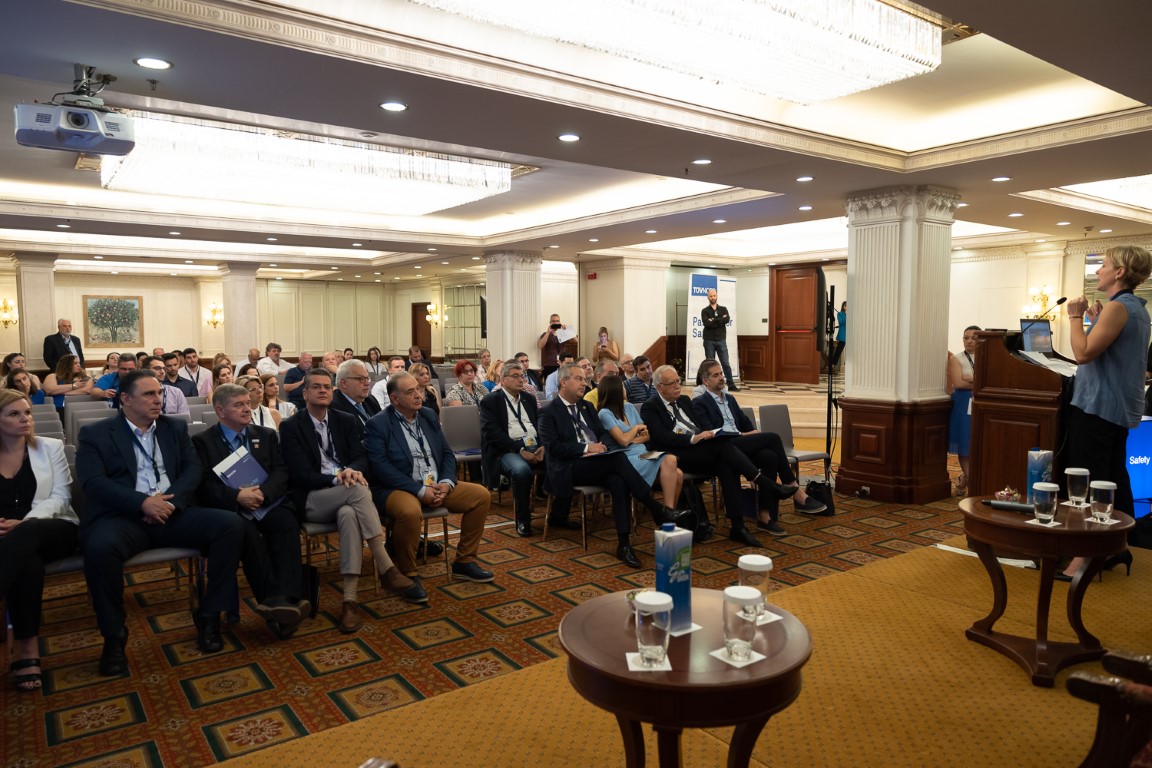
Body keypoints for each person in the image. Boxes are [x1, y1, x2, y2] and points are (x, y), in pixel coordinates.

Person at [76, 370, 244, 674]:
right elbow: (94, 482)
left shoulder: (174, 428)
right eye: (149, 394)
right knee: (99, 548)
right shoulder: (96, 434)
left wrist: (170, 503)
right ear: (126, 399)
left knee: (230, 525)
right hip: (125, 517)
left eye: (160, 393)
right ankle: (114, 636)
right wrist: (142, 502)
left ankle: (209, 615)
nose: (158, 400)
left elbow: (192, 470)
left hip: (172, 512)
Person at [280, 368, 420, 630]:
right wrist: (338, 478)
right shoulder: (291, 427)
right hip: (313, 499)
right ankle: (386, 566)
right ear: (305, 393)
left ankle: (349, 601)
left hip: (347, 493)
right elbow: (300, 475)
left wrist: (352, 470)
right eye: (316, 387)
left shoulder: (344, 420)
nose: (323, 390)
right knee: (357, 490)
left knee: (348, 514)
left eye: (327, 386)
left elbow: (360, 457)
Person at [539, 363, 690, 566]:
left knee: (619, 481)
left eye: (584, 379)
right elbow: (554, 447)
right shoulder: (549, 412)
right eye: (579, 379)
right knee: (619, 459)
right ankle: (656, 508)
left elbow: (603, 435)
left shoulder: (586, 407)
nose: (584, 383)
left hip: (598, 462)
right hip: (571, 466)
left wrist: (601, 445)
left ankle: (624, 545)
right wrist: (587, 448)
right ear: (564, 382)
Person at [1061, 245, 1152, 580]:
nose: (1098, 271)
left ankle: (1086, 556)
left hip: (1098, 406)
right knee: (1112, 476)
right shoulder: (1135, 308)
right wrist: (1095, 322)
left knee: (1088, 480)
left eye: (1104, 265)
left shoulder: (1119, 307)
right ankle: (1116, 546)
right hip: (1115, 407)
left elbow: (1083, 354)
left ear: (1120, 272)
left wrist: (1074, 317)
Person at [192, 383, 309, 640]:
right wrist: (237, 497)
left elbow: (281, 471)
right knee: (247, 535)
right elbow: (203, 485)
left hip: (267, 503)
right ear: (220, 411)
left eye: (247, 403)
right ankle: (276, 603)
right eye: (239, 405)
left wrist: (263, 494)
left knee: (286, 522)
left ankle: (286, 600)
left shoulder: (265, 435)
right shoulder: (203, 442)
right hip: (232, 510)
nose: (247, 408)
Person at [364, 372, 495, 591]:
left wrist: (446, 482)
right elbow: (380, 468)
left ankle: (464, 561)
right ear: (394, 399)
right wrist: (419, 490)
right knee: (409, 512)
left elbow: (446, 453)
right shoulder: (378, 424)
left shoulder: (427, 415)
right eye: (410, 392)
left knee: (480, 496)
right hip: (399, 487)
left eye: (418, 389)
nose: (418, 395)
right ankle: (408, 572)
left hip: (435, 483)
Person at [642, 365, 798, 548]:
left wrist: (708, 434)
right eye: (672, 383)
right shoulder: (650, 406)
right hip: (677, 456)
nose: (678, 386)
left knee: (727, 464)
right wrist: (694, 438)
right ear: (660, 387)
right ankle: (768, 484)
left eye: (678, 381)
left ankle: (738, 527)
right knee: (729, 446)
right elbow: (662, 437)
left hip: (702, 449)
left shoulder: (684, 400)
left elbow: (699, 425)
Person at [0, 390, 77, 691]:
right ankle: (27, 652)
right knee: (27, 564)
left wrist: (26, 522)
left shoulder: (50, 447)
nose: (25, 419)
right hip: (9, 543)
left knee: (26, 535)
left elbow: (61, 497)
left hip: (52, 528)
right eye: (14, 414)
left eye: (27, 412)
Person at [693, 359, 825, 532]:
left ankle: (764, 515)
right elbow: (712, 432)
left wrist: (750, 433)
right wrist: (745, 435)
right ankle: (796, 491)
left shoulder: (730, 399)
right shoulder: (700, 403)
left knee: (769, 457)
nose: (721, 378)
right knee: (773, 438)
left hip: (740, 445)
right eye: (716, 375)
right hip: (724, 447)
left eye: (722, 374)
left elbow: (746, 424)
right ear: (705, 381)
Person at [596, 374, 688, 523]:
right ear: (615, 390)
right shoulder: (604, 413)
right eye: (622, 387)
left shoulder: (629, 407)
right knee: (671, 460)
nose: (625, 389)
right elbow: (623, 442)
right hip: (625, 458)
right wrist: (635, 429)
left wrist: (630, 438)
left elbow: (646, 436)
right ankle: (667, 516)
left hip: (642, 453)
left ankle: (666, 515)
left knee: (678, 474)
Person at [479, 361, 544, 536]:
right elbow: (492, 434)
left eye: (522, 376)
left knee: (561, 459)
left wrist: (543, 446)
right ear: (503, 379)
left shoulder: (529, 398)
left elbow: (539, 426)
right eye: (515, 376)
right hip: (507, 449)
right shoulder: (491, 401)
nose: (521, 380)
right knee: (521, 471)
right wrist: (520, 450)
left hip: (534, 446)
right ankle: (523, 520)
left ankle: (558, 514)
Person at [947, 326, 979, 497]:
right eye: (966, 337)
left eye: (973, 338)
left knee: (977, 443)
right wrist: (979, 381)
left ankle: (964, 479)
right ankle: (971, 479)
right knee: (965, 443)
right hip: (962, 404)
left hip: (982, 403)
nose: (969, 341)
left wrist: (971, 379)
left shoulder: (987, 357)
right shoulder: (957, 358)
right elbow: (958, 383)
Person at [701, 288, 738, 391]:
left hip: (721, 339)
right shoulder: (705, 311)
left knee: (725, 363)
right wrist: (720, 320)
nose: (713, 298)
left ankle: (731, 385)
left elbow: (727, 319)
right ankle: (710, 385)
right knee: (710, 365)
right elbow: (706, 323)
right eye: (711, 296)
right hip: (709, 340)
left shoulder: (723, 309)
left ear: (717, 296)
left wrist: (713, 320)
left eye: (714, 296)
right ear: (708, 298)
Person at [330, 359, 381, 426]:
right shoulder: (333, 407)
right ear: (344, 383)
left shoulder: (370, 400)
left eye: (367, 378)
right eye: (361, 379)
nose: (367, 383)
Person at [538, 313, 576, 379]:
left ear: (560, 322)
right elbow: (540, 346)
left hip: (562, 364)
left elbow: (575, 341)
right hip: (549, 365)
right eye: (553, 321)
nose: (555, 323)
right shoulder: (545, 334)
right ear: (550, 322)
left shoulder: (563, 333)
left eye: (557, 321)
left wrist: (568, 330)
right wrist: (548, 332)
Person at [829, 301, 847, 375]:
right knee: (838, 351)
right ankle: (832, 365)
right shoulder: (840, 314)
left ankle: (833, 364)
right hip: (842, 336)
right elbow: (841, 322)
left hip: (849, 336)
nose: (847, 307)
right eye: (845, 306)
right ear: (843, 306)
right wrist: (846, 316)